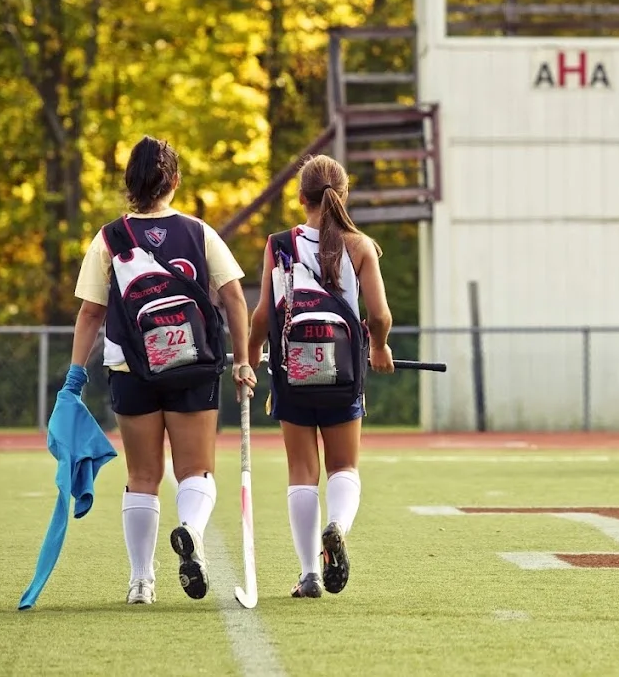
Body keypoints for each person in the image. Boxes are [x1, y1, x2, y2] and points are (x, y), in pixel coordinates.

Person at [69, 136, 255, 605]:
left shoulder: (109, 238)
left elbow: (91, 312)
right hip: (194, 365)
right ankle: (190, 528)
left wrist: (74, 377)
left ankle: (140, 582)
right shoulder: (198, 232)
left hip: (131, 368)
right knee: (196, 470)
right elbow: (233, 295)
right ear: (174, 180)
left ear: (129, 183)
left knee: (143, 475)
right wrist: (244, 359)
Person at [248, 155, 395, 598]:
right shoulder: (361, 246)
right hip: (343, 372)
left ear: (300, 197)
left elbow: (261, 315)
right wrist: (379, 346)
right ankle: (339, 527)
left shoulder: (279, 244)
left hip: (292, 374)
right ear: (343, 195)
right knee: (344, 466)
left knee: (301, 471)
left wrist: (252, 356)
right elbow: (380, 315)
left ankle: (309, 573)